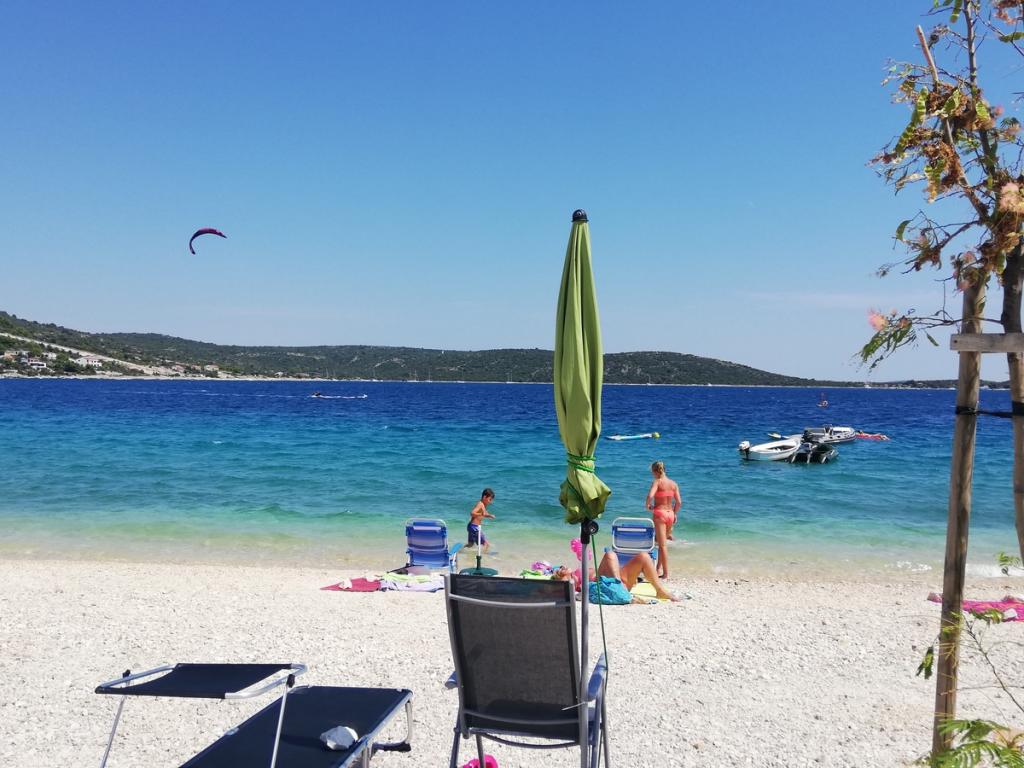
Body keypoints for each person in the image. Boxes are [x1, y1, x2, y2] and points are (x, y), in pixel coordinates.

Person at [553, 550, 679, 603]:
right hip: (604, 584)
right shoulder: (574, 582)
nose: (562, 568)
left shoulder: (576, 572)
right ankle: (620, 589)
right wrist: (562, 577)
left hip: (618, 578)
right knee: (609, 555)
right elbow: (566, 589)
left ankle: (660, 591)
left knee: (644, 556)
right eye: (561, 570)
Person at [646, 460, 681, 579]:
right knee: (663, 544)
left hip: (660, 514)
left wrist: (647, 505)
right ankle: (658, 569)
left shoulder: (657, 482)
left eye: (652, 472)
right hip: (670, 514)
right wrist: (674, 513)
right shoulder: (673, 484)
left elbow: (650, 495)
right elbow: (679, 502)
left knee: (662, 545)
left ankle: (665, 574)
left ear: (655, 471)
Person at [467, 487, 495, 553]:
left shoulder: (483, 505)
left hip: (471, 526)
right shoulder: (480, 504)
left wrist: (489, 515)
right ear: (484, 497)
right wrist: (481, 514)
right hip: (475, 528)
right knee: (486, 544)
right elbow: (472, 513)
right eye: (490, 499)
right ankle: (485, 555)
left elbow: (484, 514)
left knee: (470, 544)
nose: (490, 502)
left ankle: (460, 551)